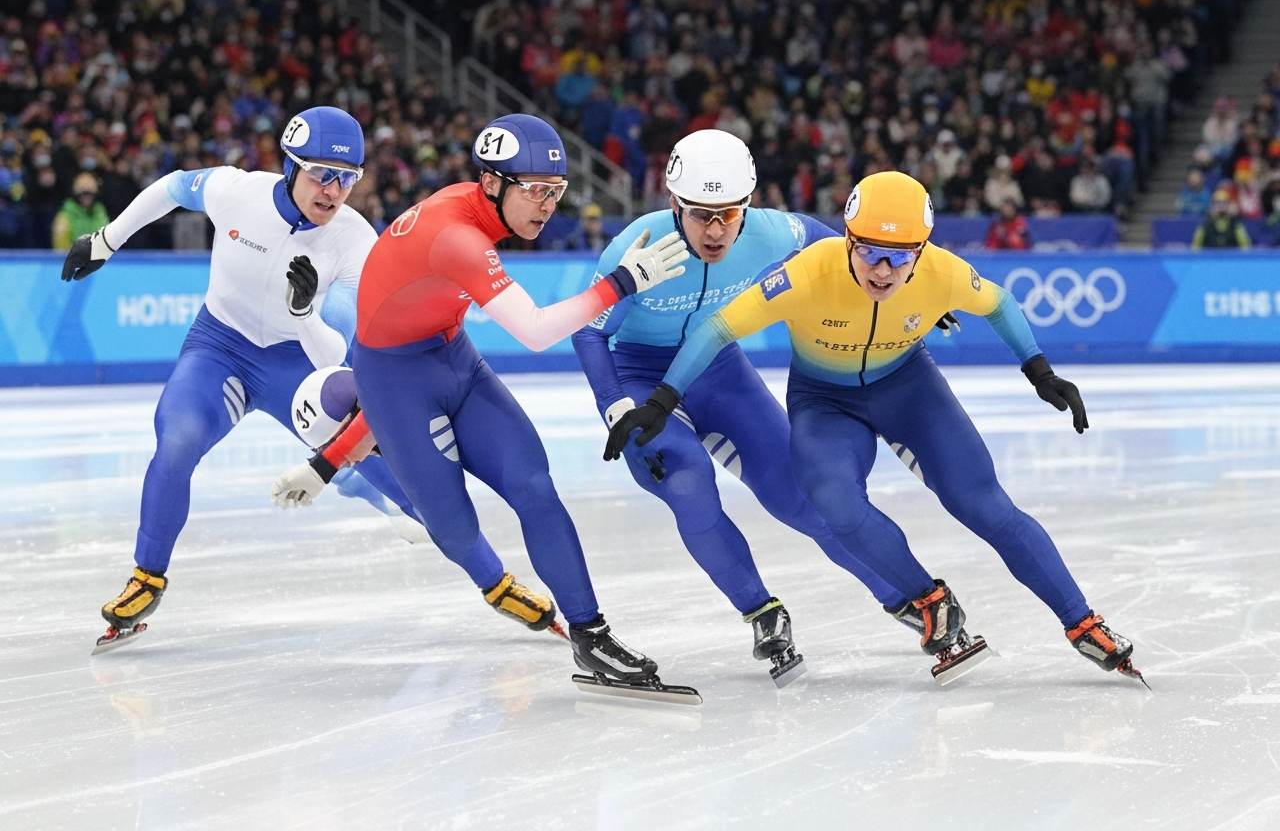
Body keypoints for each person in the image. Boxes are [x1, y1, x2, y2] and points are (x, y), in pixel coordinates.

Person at [606, 171, 1144, 686]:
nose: (882, 270)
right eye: (867, 250)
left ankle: (1081, 621)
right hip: (824, 402)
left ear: (922, 251)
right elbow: (718, 328)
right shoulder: (808, 271)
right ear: (846, 241)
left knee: (984, 505)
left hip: (909, 391)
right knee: (834, 503)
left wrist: (1038, 370)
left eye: (899, 256)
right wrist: (662, 399)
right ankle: (928, 600)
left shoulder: (941, 273)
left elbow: (999, 303)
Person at [62, 107, 544, 653]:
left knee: (409, 482)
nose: (334, 191)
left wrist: (304, 314)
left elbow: (348, 355)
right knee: (176, 441)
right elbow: (172, 188)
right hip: (220, 347)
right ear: (290, 167)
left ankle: (496, 582)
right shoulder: (235, 191)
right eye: (322, 173)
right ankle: (146, 579)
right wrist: (106, 240)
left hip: (298, 363)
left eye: (349, 179)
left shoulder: (357, 241)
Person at [269, 114, 697, 697]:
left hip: (452, 358)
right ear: (493, 184)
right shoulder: (459, 238)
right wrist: (622, 282)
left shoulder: (473, 212)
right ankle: (496, 584)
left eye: (557, 192)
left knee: (535, 484)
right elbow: (538, 331)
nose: (547, 206)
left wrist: (324, 464)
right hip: (395, 380)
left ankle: (591, 635)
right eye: (536, 191)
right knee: (452, 526)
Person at [571, 130, 913, 685]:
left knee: (802, 498)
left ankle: (906, 600)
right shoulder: (636, 246)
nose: (714, 231)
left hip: (719, 371)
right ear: (674, 204)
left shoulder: (775, 230)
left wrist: (909, 294)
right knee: (689, 482)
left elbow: (846, 257)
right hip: (637, 374)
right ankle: (761, 611)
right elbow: (588, 334)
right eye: (700, 215)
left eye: (728, 215)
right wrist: (613, 406)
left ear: (747, 206)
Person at [52, 172, 110, 252]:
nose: (86, 194)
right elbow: (60, 250)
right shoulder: (64, 216)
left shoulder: (99, 211)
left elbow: (108, 240)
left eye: (90, 189)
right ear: (74, 190)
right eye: (82, 189)